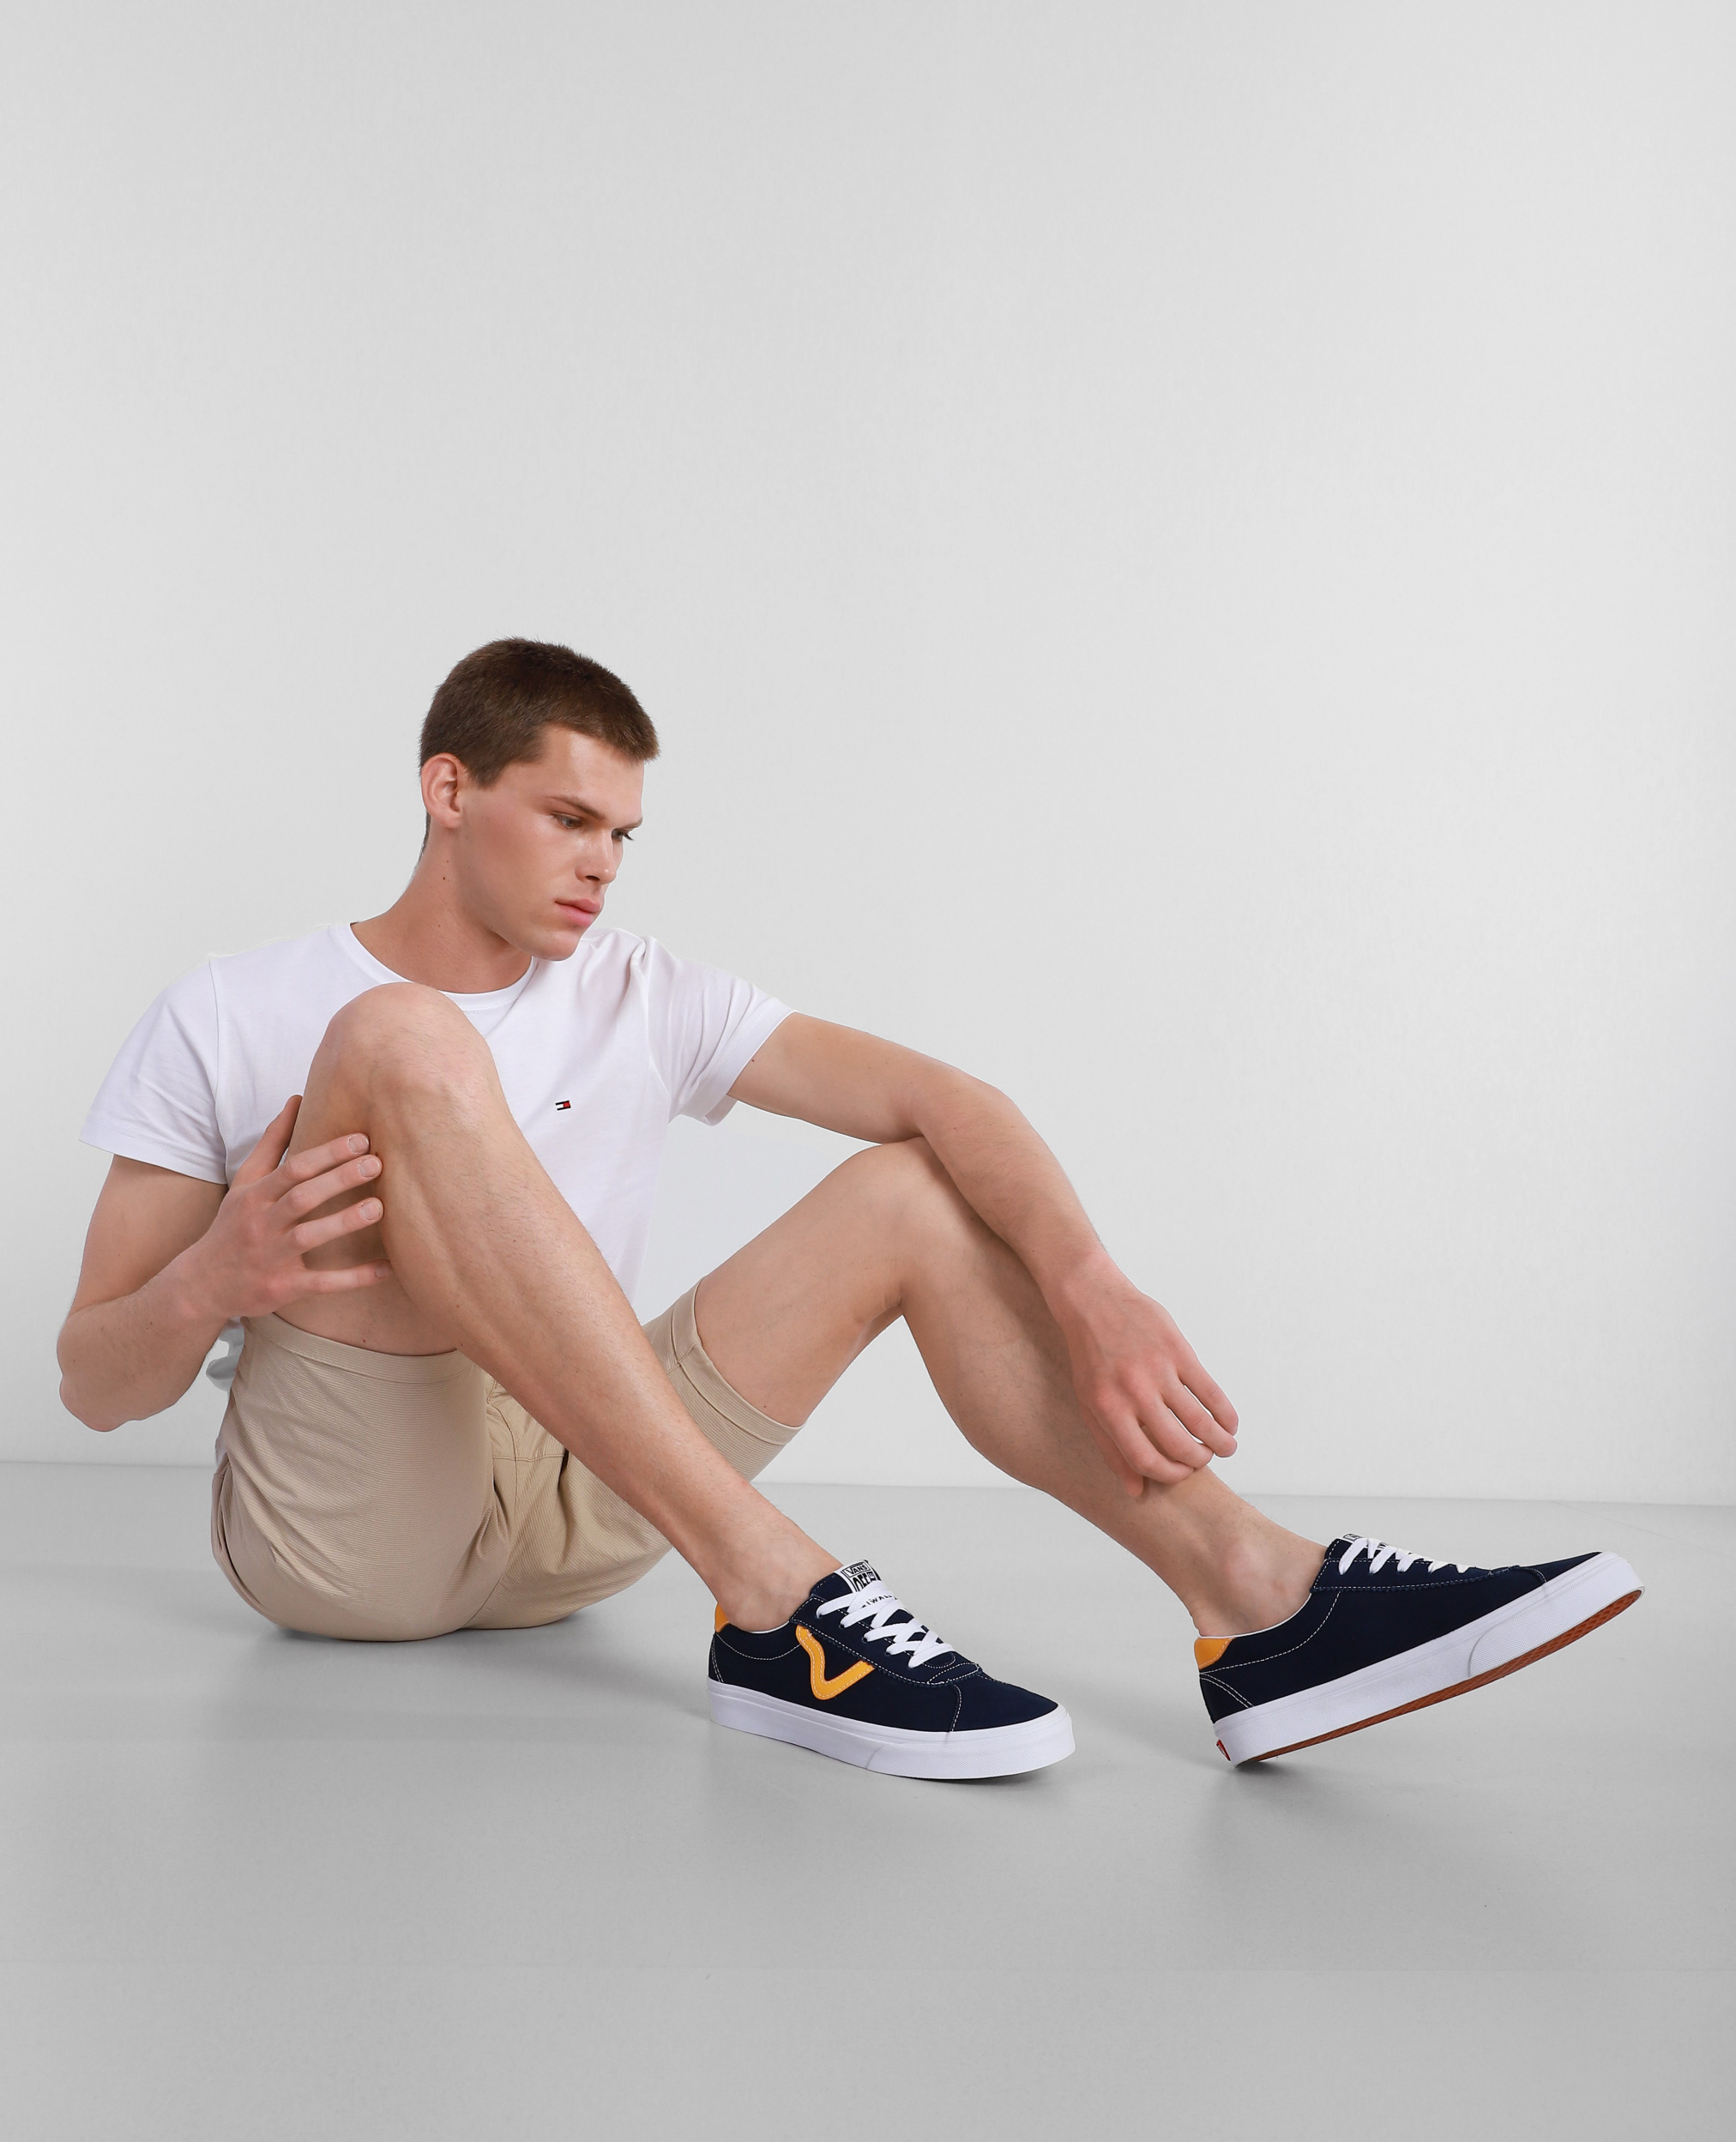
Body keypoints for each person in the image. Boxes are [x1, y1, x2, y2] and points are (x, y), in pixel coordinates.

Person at [59, 638, 1642, 1778]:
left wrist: (1088, 1283)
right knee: (401, 1040)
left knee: (910, 1192)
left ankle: (1263, 1601)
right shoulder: (232, 1009)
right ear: (448, 788)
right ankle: (779, 1601)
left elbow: (948, 1102)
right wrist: (215, 1280)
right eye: (569, 820)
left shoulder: (643, 990)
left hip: (579, 1507)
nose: (603, 866)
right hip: (351, 1541)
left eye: (623, 835)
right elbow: (92, 1383)